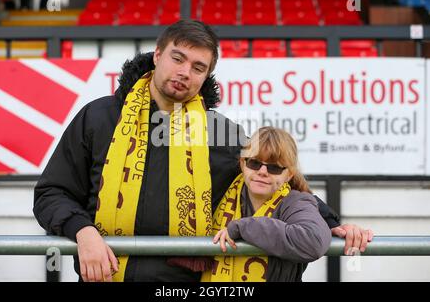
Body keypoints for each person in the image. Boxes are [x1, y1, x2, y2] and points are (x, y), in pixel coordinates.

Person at [33, 19, 372, 282]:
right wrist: (84, 231)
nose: (184, 72)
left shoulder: (219, 133)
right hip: (101, 274)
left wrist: (331, 224)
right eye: (177, 58)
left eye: (198, 67)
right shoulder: (99, 116)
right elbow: (52, 193)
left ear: (207, 75)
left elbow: (270, 174)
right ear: (157, 55)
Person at [202, 127, 331, 282]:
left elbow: (314, 241)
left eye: (274, 167)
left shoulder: (296, 202)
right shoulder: (218, 192)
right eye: (254, 163)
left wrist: (243, 227)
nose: (262, 171)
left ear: (289, 174)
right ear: (243, 164)